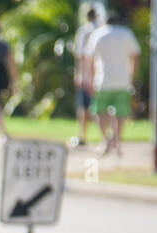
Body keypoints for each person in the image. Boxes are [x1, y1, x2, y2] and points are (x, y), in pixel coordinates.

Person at [83, 7, 141, 157]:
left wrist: (88, 78)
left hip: (103, 80)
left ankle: (106, 140)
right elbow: (135, 56)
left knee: (98, 111)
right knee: (120, 113)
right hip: (123, 80)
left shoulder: (99, 34)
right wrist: (131, 77)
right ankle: (117, 141)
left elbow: (90, 58)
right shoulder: (127, 33)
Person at [71, 5, 98, 148]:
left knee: (84, 107)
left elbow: (80, 55)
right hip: (100, 75)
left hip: (87, 75)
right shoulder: (101, 29)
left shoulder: (84, 31)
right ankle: (106, 137)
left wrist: (79, 74)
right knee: (100, 108)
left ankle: (82, 136)